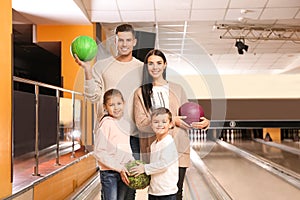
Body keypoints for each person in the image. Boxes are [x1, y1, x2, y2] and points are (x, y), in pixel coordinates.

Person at [74, 23, 143, 199]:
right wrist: (88, 70)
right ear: (115, 41)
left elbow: (149, 99)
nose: (124, 44)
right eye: (120, 40)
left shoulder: (142, 68)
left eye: (128, 40)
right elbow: (92, 97)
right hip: (109, 136)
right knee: (110, 188)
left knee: (129, 191)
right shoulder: (101, 66)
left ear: (134, 41)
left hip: (133, 136)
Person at [133, 49, 210, 199]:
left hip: (179, 146)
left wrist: (205, 122)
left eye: (159, 63)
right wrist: (172, 120)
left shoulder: (177, 88)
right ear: (146, 67)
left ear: (165, 65)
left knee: (177, 192)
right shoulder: (140, 92)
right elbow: (141, 124)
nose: (155, 67)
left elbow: (188, 117)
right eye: (151, 63)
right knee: (159, 192)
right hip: (155, 150)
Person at [130, 107, 179, 200]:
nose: (160, 124)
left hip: (167, 192)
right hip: (154, 190)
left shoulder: (168, 142)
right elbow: (154, 165)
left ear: (170, 124)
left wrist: (144, 168)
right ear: (151, 125)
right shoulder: (154, 144)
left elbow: (164, 164)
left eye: (164, 122)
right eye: (156, 122)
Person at [94, 89, 134, 200]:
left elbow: (126, 148)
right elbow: (99, 151)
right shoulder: (106, 124)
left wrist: (131, 163)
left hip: (124, 171)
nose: (116, 108)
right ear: (105, 107)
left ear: (124, 103)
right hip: (109, 173)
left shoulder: (126, 124)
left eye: (119, 104)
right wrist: (118, 167)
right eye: (111, 105)